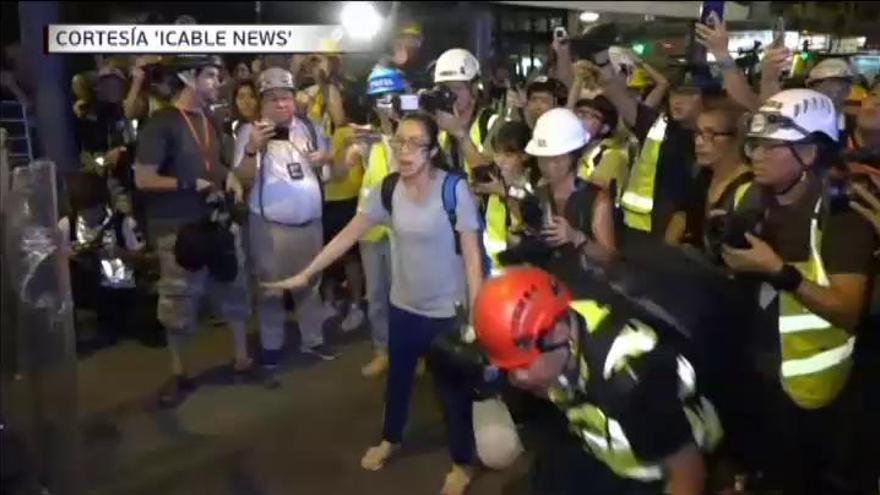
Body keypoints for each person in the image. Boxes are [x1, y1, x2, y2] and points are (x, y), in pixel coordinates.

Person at [264, 113, 485, 495]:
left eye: (416, 143)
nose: (405, 151)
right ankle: (391, 438)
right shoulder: (388, 190)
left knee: (452, 393)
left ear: (432, 151)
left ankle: (462, 463)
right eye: (399, 141)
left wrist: (476, 316)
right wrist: (306, 273)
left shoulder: (454, 190)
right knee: (398, 381)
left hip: (447, 314)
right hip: (404, 307)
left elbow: (472, 259)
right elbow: (349, 235)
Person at [720, 88, 875, 494]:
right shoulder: (748, 194)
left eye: (772, 147)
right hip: (756, 371)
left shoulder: (841, 216)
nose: (755, 154)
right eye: (754, 144)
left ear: (809, 154)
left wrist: (777, 270)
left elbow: (846, 311)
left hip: (812, 394)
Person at [473, 267, 723, 495]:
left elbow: (688, 474)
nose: (517, 378)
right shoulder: (569, 329)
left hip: (657, 469)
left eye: (521, 366)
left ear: (557, 333)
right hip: (609, 448)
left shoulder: (630, 378)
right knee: (548, 475)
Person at [133, 55, 255, 407]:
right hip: (177, 228)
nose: (218, 82)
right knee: (178, 303)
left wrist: (229, 178)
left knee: (234, 289)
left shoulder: (212, 120)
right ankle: (179, 372)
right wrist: (191, 183)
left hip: (216, 222)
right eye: (211, 76)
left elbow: (220, 165)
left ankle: (242, 358)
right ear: (190, 78)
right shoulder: (162, 123)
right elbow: (143, 178)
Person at [234, 67, 340, 370]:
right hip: (270, 227)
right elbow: (241, 177)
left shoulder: (308, 126)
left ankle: (313, 340)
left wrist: (325, 159)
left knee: (311, 285)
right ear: (262, 103)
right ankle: (271, 348)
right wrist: (254, 148)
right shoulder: (249, 131)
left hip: (310, 224)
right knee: (271, 289)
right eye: (273, 99)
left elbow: (329, 167)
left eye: (286, 98)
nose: (281, 104)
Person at [596, 50, 713, 243]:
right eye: (675, 92)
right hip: (648, 230)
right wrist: (602, 61)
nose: (677, 100)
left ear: (705, 98)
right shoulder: (659, 127)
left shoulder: (722, 137)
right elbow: (620, 99)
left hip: (694, 237)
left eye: (688, 94)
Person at [347, 64, 410, 377]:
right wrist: (353, 147)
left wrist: (392, 135)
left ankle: (413, 352)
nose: (383, 104)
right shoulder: (366, 136)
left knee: (408, 295)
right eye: (378, 99)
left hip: (406, 228)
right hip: (371, 228)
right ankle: (382, 350)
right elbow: (344, 167)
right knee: (376, 296)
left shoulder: (413, 133)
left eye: (390, 97)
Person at [527, 108, 617, 272]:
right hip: (548, 286)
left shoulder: (596, 198)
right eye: (543, 159)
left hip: (587, 291)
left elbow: (609, 256)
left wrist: (576, 238)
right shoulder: (538, 195)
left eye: (557, 159)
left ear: (574, 156)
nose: (549, 166)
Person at [677, 102, 752, 251]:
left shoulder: (749, 189)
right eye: (698, 133)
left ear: (737, 139)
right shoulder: (703, 177)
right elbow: (682, 219)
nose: (699, 142)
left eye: (710, 135)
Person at [470, 120, 535, 274]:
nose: (501, 160)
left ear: (524, 155)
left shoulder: (533, 186)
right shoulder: (491, 179)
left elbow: (532, 220)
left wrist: (505, 193)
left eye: (508, 154)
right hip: (492, 266)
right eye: (497, 153)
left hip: (522, 268)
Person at [432, 48, 494, 174]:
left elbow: (489, 177)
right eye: (445, 89)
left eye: (457, 88)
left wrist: (460, 133)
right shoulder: (436, 124)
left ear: (475, 88)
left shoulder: (490, 121)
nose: (451, 95)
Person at [571, 95, 631, 198]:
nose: (580, 118)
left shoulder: (611, 156)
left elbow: (597, 199)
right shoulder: (573, 151)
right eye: (579, 112)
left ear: (604, 128)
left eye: (590, 115)